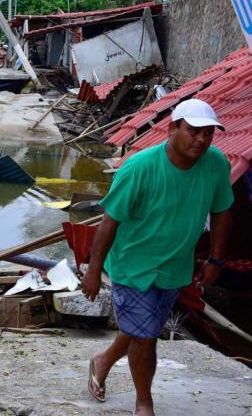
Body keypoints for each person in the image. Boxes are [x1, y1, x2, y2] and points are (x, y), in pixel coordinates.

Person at [82, 98, 233, 416]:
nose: (202, 140)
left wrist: (216, 260)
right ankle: (143, 403)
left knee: (144, 324)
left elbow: (221, 211)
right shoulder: (139, 168)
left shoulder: (217, 164)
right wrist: (94, 271)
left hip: (175, 266)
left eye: (208, 133)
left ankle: (103, 360)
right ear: (172, 129)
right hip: (132, 265)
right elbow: (110, 221)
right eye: (193, 131)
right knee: (146, 336)